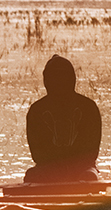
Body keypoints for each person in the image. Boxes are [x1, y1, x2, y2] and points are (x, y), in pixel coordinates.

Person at [24, 55, 102, 183]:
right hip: (49, 169)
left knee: (89, 176)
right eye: (55, 77)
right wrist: (59, 167)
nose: (59, 82)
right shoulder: (37, 110)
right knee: (31, 175)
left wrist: (69, 166)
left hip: (82, 169)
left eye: (62, 77)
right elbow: (37, 155)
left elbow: (91, 154)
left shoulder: (88, 107)